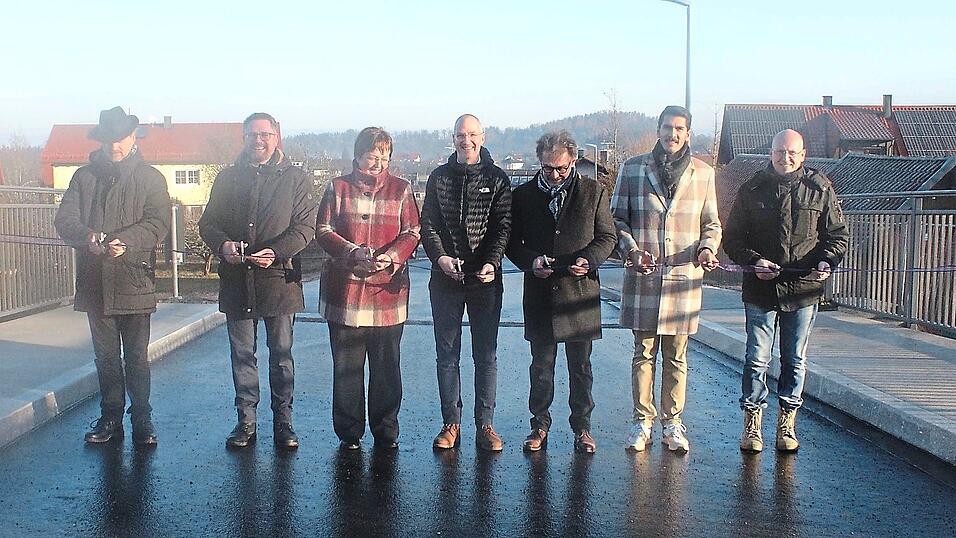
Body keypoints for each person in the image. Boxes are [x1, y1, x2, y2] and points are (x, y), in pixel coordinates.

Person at [723, 129, 848, 453]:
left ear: (803, 155)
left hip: (804, 290)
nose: (785, 157)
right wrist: (754, 261)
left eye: (792, 152)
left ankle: (786, 422)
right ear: (771, 152)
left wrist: (827, 261)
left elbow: (837, 236)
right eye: (780, 151)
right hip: (760, 290)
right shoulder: (752, 189)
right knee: (757, 359)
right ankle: (752, 423)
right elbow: (732, 238)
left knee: (794, 360)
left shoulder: (820, 189)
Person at [199, 112, 317, 450]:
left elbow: (305, 228)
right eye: (252, 135)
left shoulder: (296, 179)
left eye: (265, 134)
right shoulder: (226, 179)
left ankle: (284, 422)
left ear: (277, 137)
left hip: (279, 281)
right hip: (237, 280)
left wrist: (276, 251)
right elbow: (208, 223)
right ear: (244, 137)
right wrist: (222, 245)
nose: (258, 140)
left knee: (281, 355)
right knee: (242, 355)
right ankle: (246, 422)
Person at [54, 106, 171, 446]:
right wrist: (87, 235)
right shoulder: (83, 177)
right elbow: (65, 220)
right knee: (105, 358)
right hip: (95, 283)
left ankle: (143, 418)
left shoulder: (151, 178)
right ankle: (110, 417)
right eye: (108, 140)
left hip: (134, 279)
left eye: (120, 138)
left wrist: (127, 241)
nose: (114, 146)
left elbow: (157, 223)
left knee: (136, 358)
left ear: (133, 137)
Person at [611, 105, 722, 454]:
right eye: (666, 127)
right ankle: (641, 422)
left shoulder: (704, 174)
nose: (672, 134)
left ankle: (672, 423)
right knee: (643, 353)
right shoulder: (632, 169)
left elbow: (712, 224)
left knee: (677, 355)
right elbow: (616, 221)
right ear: (657, 129)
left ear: (687, 133)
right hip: (644, 275)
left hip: (683, 278)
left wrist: (707, 248)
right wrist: (631, 251)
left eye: (679, 129)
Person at [507, 131, 616, 454]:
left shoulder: (593, 192)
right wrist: (530, 261)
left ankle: (582, 428)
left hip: (579, 293)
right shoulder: (523, 195)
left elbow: (607, 237)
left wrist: (590, 259)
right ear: (539, 163)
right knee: (541, 367)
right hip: (540, 293)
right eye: (548, 168)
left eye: (562, 169)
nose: (555, 175)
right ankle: (539, 425)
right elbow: (512, 242)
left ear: (573, 162)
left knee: (580, 368)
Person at [315, 127, 421, 450]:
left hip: (387, 294)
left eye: (384, 156)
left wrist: (391, 256)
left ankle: (386, 429)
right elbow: (322, 229)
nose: (378, 163)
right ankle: (349, 433)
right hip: (344, 294)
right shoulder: (337, 188)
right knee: (347, 368)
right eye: (372, 156)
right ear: (358, 156)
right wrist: (351, 251)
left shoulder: (402, 190)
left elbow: (414, 231)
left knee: (386, 368)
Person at [419, 114, 512, 451]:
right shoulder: (438, 178)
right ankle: (451, 423)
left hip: (485, 279)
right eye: (461, 134)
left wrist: (491, 261)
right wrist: (441, 258)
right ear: (453, 138)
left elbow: (503, 227)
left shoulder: (498, 179)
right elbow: (427, 224)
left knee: (485, 355)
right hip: (445, 279)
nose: (466, 140)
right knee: (447, 354)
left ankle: (485, 425)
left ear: (482, 137)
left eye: (472, 134)